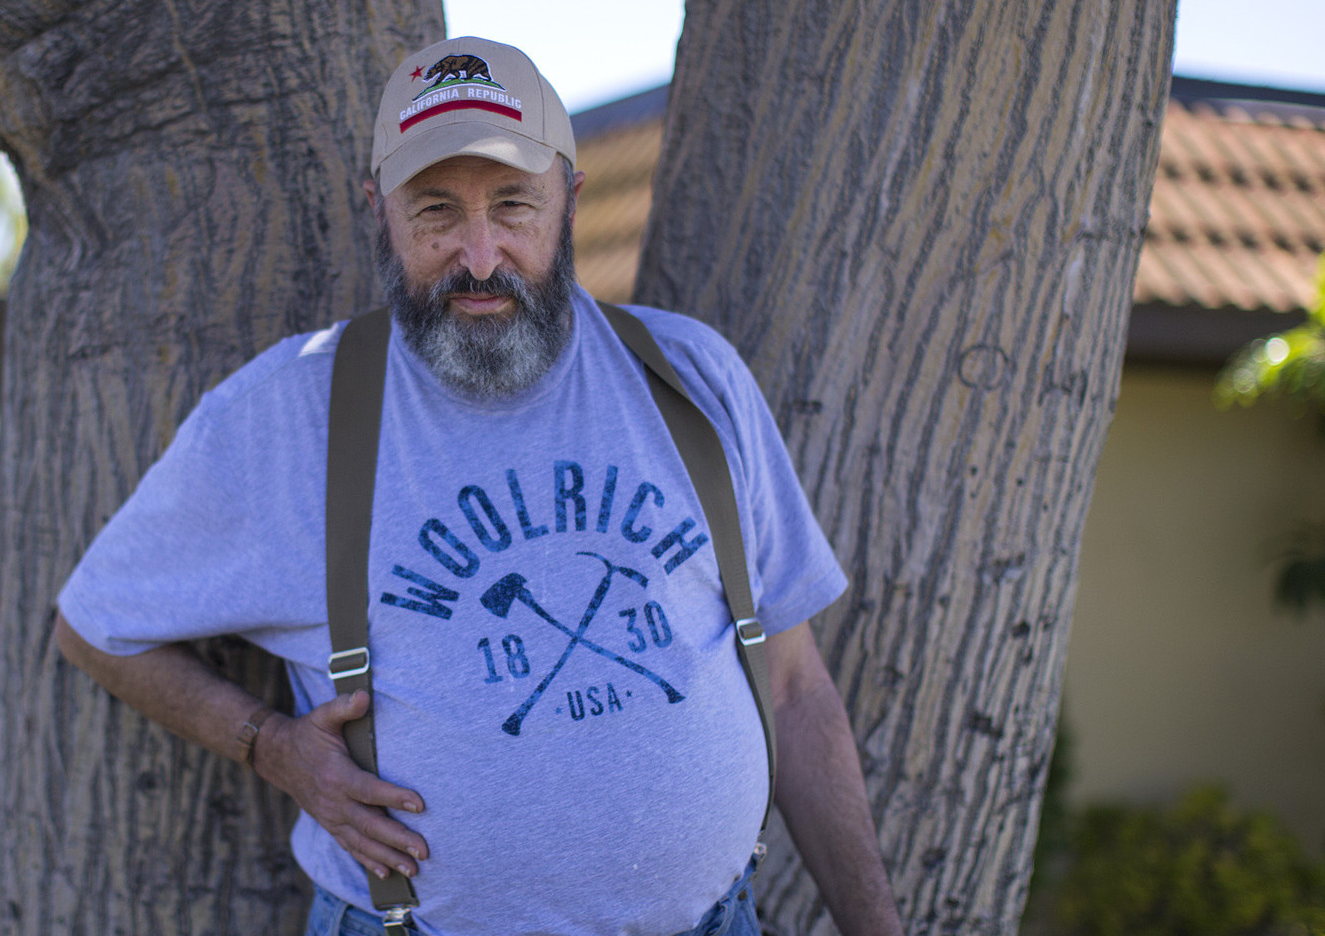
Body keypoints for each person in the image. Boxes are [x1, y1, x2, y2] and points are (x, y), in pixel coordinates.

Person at [54, 35, 904, 936]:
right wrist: (272, 749)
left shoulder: (691, 378)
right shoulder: (284, 417)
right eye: (435, 213)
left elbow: (796, 690)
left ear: (570, 202)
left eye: (513, 205)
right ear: (378, 209)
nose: (482, 255)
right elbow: (95, 627)